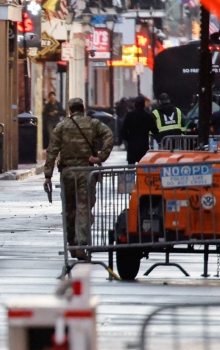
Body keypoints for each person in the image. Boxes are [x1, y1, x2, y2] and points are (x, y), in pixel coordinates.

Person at [44, 97, 114, 261]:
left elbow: (52, 151)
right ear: (83, 109)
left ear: (69, 110)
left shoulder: (61, 126)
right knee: (83, 207)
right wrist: (101, 157)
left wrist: (48, 175)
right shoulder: (93, 123)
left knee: (69, 209)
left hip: (68, 172)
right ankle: (82, 244)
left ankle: (72, 245)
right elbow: (109, 135)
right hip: (86, 171)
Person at [120, 95, 157, 165]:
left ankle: (130, 176)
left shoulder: (129, 115)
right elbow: (155, 131)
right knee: (143, 169)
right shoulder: (148, 116)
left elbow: (123, 131)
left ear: (135, 104)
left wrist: (128, 139)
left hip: (132, 146)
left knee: (130, 169)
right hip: (143, 146)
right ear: (143, 104)